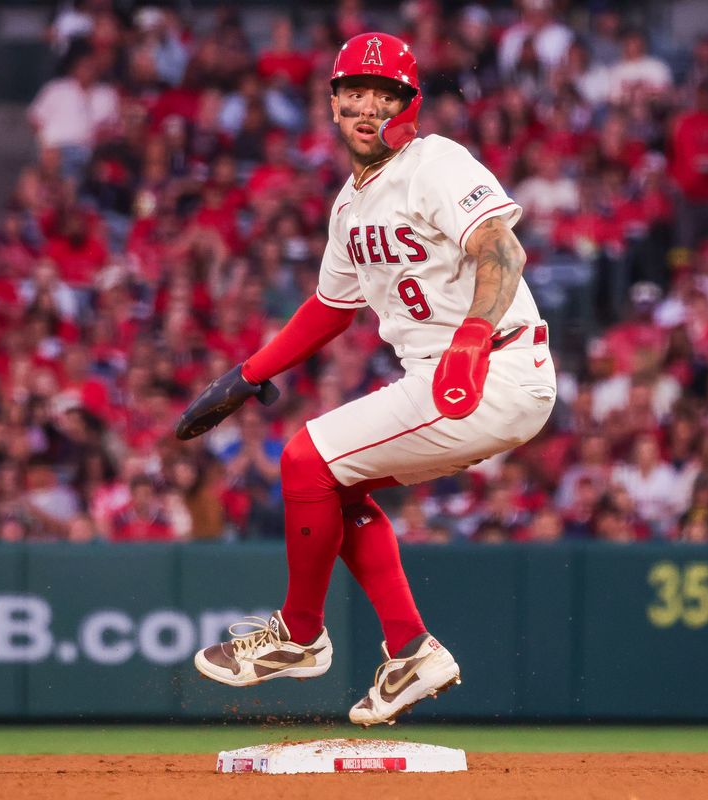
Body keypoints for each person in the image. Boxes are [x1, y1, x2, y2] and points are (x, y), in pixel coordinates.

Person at [178, 32, 555, 726]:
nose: (366, 105)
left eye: (383, 94)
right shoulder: (349, 207)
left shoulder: (432, 161)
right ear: (333, 102)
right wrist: (245, 375)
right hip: (455, 372)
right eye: (353, 91)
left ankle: (298, 635)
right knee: (330, 482)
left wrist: (472, 335)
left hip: (489, 366)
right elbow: (330, 308)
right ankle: (412, 649)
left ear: (407, 104)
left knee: (304, 459)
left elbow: (502, 246)